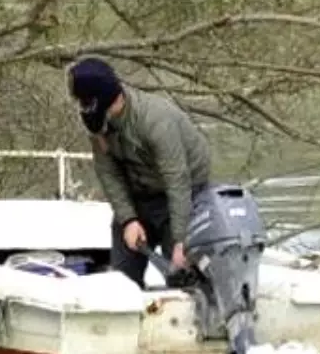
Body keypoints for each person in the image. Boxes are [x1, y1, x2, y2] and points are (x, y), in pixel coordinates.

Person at [66, 56, 212, 289]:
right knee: (121, 279)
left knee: (183, 276)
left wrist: (181, 242)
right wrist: (129, 219)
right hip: (140, 193)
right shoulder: (97, 122)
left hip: (183, 193)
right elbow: (108, 173)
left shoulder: (156, 120)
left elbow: (178, 180)